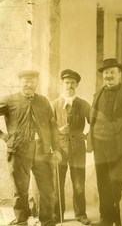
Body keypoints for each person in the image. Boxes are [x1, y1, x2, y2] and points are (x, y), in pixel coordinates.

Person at [0, 70, 62, 226]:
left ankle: (47, 221)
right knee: (20, 190)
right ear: (20, 82)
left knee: (47, 190)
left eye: (32, 81)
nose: (29, 84)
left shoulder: (43, 101)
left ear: (37, 83)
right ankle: (21, 221)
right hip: (19, 151)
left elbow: (53, 126)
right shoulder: (10, 100)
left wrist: (56, 149)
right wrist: (3, 136)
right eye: (25, 81)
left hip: (43, 151)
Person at [88, 58, 122, 226]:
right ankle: (106, 217)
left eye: (112, 72)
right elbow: (93, 119)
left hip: (120, 146)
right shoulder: (97, 94)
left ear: (119, 74)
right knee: (102, 180)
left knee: (118, 181)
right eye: (106, 73)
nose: (109, 75)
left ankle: (120, 219)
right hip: (99, 144)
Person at [51, 69, 91, 225]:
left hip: (78, 149)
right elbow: (46, 127)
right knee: (57, 183)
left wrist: (87, 137)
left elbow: (94, 123)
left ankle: (81, 214)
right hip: (59, 149)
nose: (70, 85)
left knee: (79, 183)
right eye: (67, 83)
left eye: (73, 83)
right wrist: (58, 130)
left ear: (77, 84)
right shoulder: (53, 104)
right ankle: (57, 214)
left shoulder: (83, 104)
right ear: (62, 84)